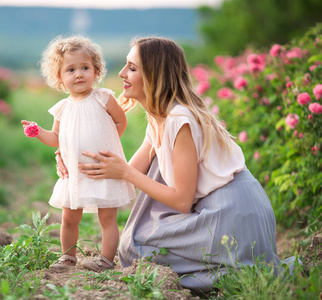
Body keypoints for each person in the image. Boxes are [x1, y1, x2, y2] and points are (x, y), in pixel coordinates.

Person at [57, 37, 281, 292]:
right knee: (136, 243)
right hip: (225, 209)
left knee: (139, 248)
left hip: (233, 215)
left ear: (154, 74)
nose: (121, 73)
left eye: (132, 67)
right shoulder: (160, 116)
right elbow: (121, 169)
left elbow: (179, 200)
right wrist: (69, 157)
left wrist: (125, 172)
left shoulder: (178, 120)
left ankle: (235, 267)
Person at [21, 36, 136, 273]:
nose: (79, 74)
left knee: (107, 219)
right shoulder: (62, 107)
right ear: (59, 78)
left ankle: (106, 259)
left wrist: (110, 143)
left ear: (96, 70)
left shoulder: (103, 97)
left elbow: (120, 121)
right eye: (70, 70)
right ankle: (67, 257)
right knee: (69, 218)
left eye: (85, 67)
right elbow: (56, 138)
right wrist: (38, 131)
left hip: (103, 167)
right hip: (75, 172)